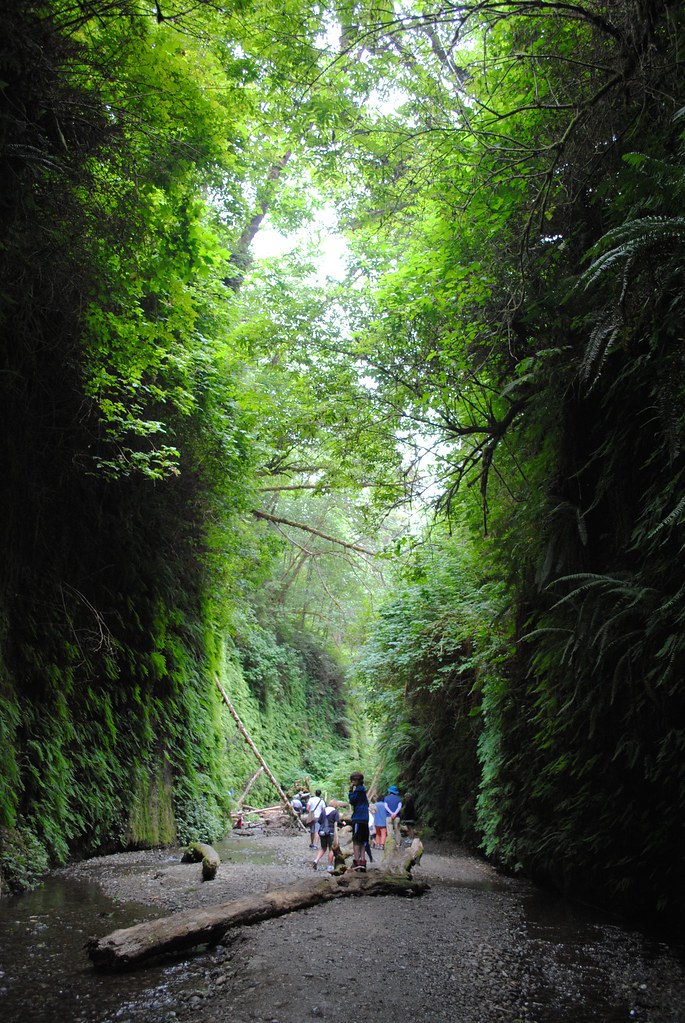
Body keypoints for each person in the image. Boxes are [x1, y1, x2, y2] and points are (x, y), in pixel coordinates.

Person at [348, 771, 370, 871]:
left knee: (356, 841)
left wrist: (350, 790)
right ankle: (363, 862)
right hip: (365, 819)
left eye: (353, 780)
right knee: (363, 841)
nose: (352, 782)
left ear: (356, 781)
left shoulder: (358, 791)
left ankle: (357, 862)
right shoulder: (363, 791)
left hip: (358, 818)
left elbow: (352, 801)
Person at [313, 803, 340, 871]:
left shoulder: (323, 811)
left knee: (323, 848)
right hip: (330, 832)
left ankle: (316, 860)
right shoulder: (335, 812)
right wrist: (343, 823)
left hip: (322, 832)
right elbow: (337, 821)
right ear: (335, 806)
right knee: (331, 849)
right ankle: (330, 865)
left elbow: (319, 821)